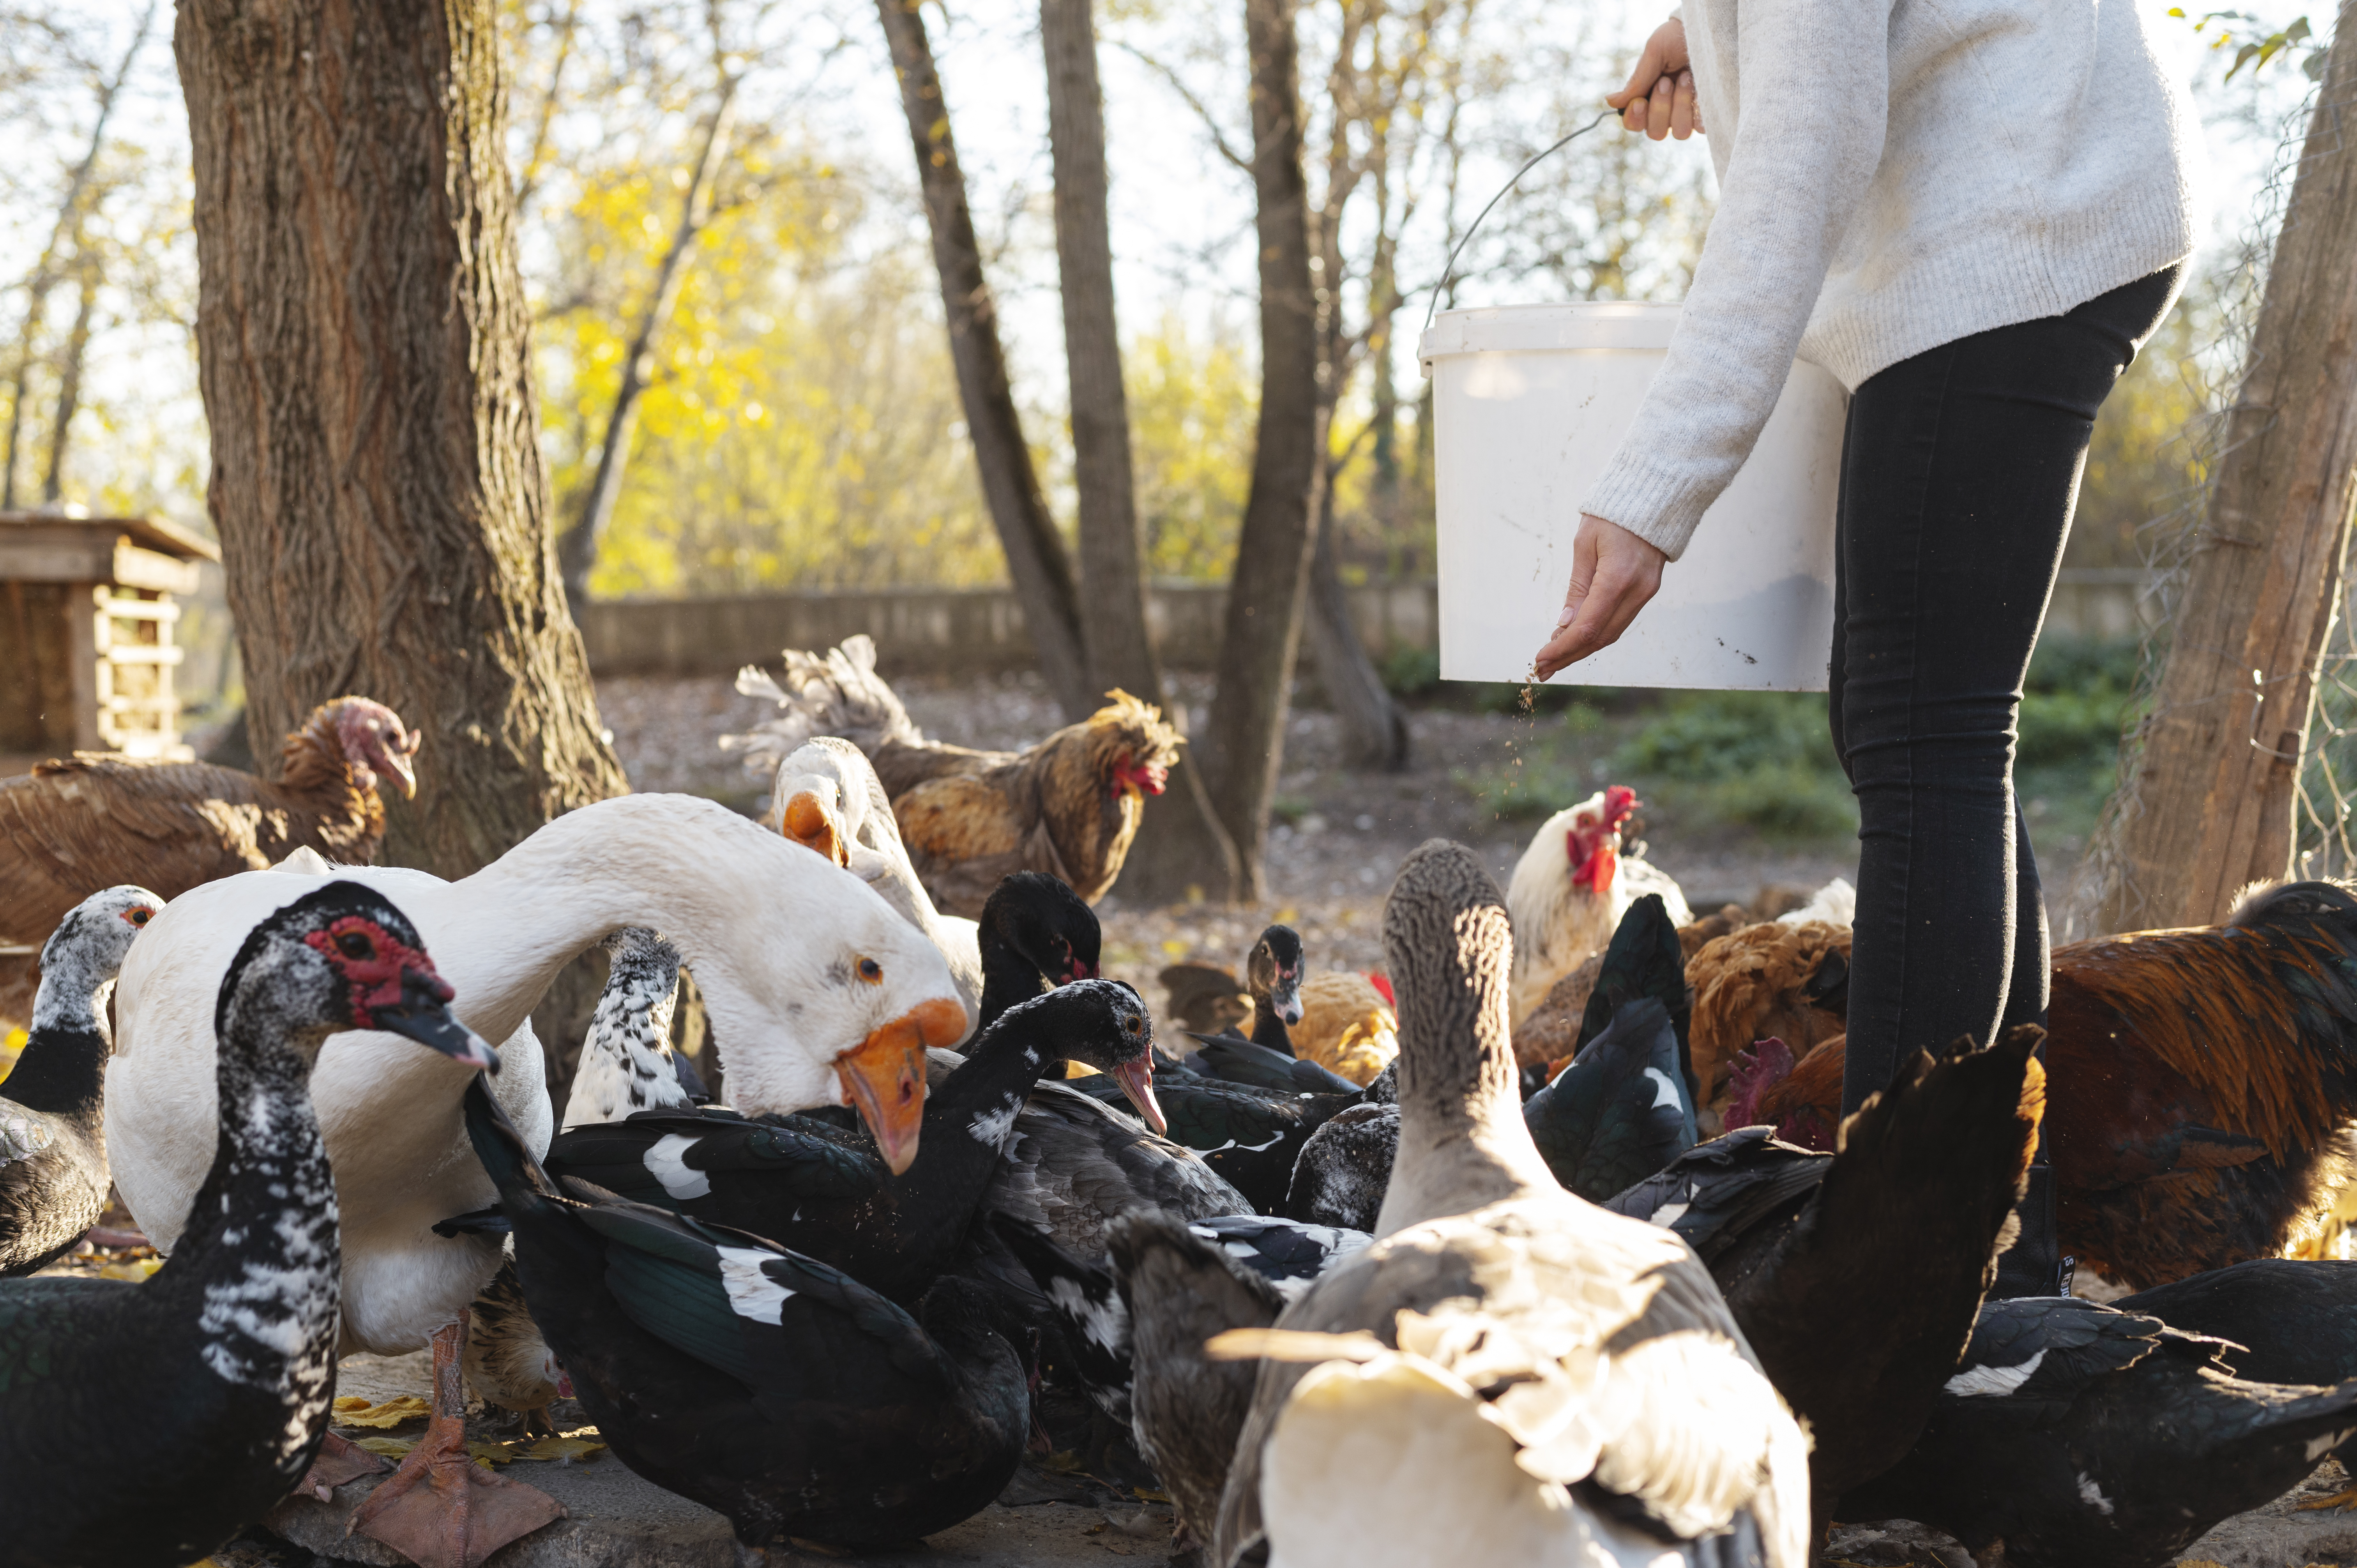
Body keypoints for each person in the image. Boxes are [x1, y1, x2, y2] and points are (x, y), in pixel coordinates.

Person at [1530, 1, 2205, 1295]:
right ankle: (1995, 1259)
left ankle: (1902, 1284)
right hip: (2016, 198)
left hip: (2010, 221)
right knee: (1933, 735)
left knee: (1925, 741)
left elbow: (1807, 147)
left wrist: (1655, 485)